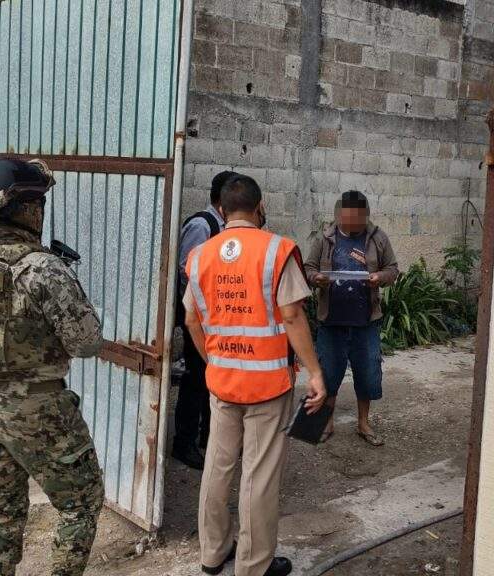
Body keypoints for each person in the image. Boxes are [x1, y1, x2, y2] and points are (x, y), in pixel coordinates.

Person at [0, 159, 105, 576]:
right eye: (39, 204)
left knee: (0, 511)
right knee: (81, 503)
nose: (41, 213)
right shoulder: (41, 268)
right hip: (36, 409)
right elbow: (87, 343)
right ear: (26, 208)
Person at [184, 174, 326, 576]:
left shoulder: (200, 256)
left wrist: (214, 361)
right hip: (267, 385)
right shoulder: (276, 250)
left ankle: (213, 554)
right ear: (260, 207)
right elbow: (292, 314)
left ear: (222, 210)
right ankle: (253, 565)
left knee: (218, 467)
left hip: (222, 383)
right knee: (258, 475)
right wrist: (315, 372)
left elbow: (192, 319)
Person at [304, 190, 399, 445]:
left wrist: (380, 277)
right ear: (339, 216)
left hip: (365, 322)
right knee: (328, 374)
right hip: (331, 321)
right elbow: (309, 267)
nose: (352, 225)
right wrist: (316, 278)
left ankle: (363, 423)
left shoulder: (377, 238)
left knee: (367, 374)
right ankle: (326, 423)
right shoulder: (325, 238)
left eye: (357, 221)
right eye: (347, 220)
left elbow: (392, 269)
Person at [173, 170, 238, 470]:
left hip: (216, 319)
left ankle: (208, 436)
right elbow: (187, 270)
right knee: (196, 379)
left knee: (214, 378)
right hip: (198, 318)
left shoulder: (225, 227)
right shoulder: (202, 225)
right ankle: (183, 443)